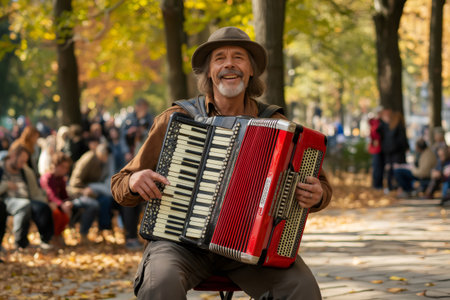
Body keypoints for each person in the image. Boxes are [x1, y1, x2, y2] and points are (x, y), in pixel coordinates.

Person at [111, 26, 332, 300]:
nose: (229, 63)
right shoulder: (178, 118)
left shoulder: (278, 126)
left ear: (251, 70)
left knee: (302, 287)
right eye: (220, 58)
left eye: (238, 57)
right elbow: (120, 183)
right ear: (209, 72)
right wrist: (133, 181)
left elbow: (322, 185)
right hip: (181, 245)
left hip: (251, 248)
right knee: (159, 282)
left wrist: (317, 195)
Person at [0, 145, 54, 249]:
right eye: (21, 161)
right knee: (24, 205)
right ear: (12, 156)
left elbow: (34, 191)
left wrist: (46, 202)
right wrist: (6, 185)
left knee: (43, 207)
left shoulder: (25, 171)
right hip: (6, 199)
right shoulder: (1, 168)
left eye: (24, 162)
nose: (22, 164)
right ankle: (20, 242)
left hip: (27, 198)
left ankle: (45, 239)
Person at [68, 143, 113, 241]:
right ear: (102, 153)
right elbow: (75, 180)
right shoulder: (89, 158)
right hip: (78, 191)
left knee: (106, 200)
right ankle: (83, 233)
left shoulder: (100, 162)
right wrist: (83, 190)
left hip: (91, 190)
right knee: (95, 204)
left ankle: (103, 229)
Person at [379, 109, 409, 193]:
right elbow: (402, 140)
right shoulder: (397, 127)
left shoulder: (389, 127)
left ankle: (390, 187)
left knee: (389, 170)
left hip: (389, 152)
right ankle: (398, 187)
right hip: (397, 153)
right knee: (397, 170)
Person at [368, 107, 384, 190]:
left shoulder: (377, 122)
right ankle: (377, 185)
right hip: (377, 148)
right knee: (377, 167)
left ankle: (377, 184)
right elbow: (374, 134)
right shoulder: (376, 123)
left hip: (378, 148)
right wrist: (376, 139)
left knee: (378, 167)